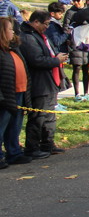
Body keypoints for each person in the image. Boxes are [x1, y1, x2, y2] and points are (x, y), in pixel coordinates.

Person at [19, 11, 69, 159]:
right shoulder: (28, 37)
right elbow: (37, 60)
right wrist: (56, 60)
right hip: (39, 83)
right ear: (36, 22)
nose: (47, 27)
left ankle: (48, 143)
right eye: (45, 24)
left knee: (49, 116)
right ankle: (32, 147)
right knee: (38, 117)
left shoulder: (40, 35)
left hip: (50, 81)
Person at [0, 17, 29, 167]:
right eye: (10, 29)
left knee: (14, 126)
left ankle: (14, 153)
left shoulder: (12, 49)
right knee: (1, 126)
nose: (13, 32)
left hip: (19, 92)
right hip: (5, 96)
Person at [62, 0, 89, 102]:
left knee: (86, 69)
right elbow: (65, 27)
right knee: (77, 68)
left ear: (83, 0)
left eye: (78, 0)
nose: (76, 3)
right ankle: (77, 93)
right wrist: (70, 40)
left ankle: (86, 93)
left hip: (87, 42)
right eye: (74, 0)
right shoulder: (70, 12)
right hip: (75, 43)